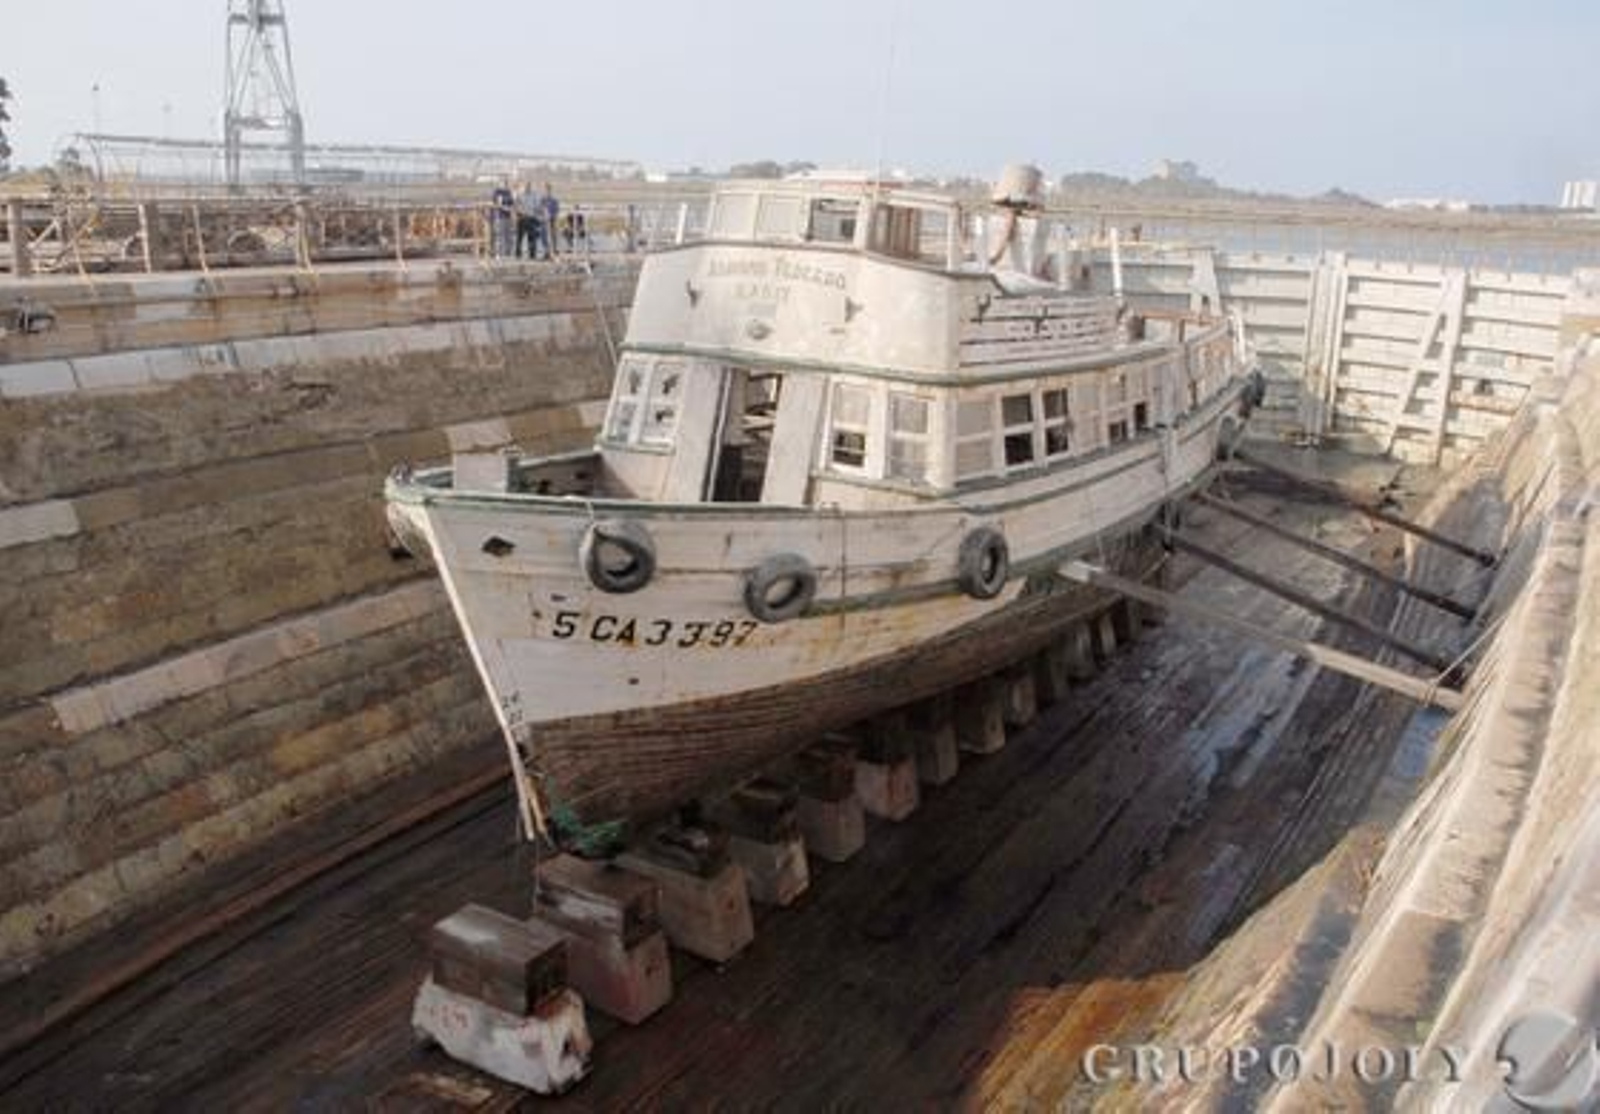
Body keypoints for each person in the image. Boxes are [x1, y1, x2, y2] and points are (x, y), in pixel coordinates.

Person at [515, 181, 542, 260]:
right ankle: (518, 253)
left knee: (532, 237)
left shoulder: (535, 196)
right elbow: (517, 205)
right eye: (526, 186)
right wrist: (520, 211)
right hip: (522, 218)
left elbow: (537, 207)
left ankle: (532, 254)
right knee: (520, 237)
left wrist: (537, 214)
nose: (528, 188)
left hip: (531, 218)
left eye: (529, 186)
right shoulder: (520, 195)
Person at [489, 179, 514, 259]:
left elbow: (512, 202)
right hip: (499, 216)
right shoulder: (497, 192)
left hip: (508, 216)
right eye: (504, 184)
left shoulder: (509, 192)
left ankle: (508, 253)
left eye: (506, 184)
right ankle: (498, 253)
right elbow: (496, 203)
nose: (505, 185)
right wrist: (502, 205)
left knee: (508, 235)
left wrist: (508, 206)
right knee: (499, 235)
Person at [538, 182, 560, 259]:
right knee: (544, 236)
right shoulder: (542, 199)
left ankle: (554, 250)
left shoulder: (554, 199)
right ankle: (546, 251)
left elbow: (556, 210)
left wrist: (553, 216)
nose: (546, 191)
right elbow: (540, 209)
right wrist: (542, 215)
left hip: (552, 220)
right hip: (544, 220)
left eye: (548, 189)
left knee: (553, 236)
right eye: (545, 189)